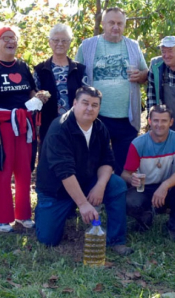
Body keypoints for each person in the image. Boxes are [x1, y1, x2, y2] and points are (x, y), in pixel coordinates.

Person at [35, 86, 133, 255]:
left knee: (116, 184)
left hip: (87, 182)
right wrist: (83, 204)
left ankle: (116, 240)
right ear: (74, 103)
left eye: (94, 105)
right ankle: (59, 209)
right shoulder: (59, 129)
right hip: (56, 190)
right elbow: (64, 172)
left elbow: (108, 161)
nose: (89, 108)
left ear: (99, 108)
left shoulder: (100, 127)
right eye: (85, 103)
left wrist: (100, 186)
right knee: (48, 239)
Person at [0, 24, 48, 232]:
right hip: (1, 127)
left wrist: (38, 96)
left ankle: (23, 215)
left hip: (24, 126)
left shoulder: (22, 66)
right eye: (5, 38)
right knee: (2, 170)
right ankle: (1, 217)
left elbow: (29, 91)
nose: (11, 41)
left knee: (24, 170)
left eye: (14, 38)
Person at [75, 7, 148, 175]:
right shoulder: (87, 46)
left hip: (126, 118)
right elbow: (76, 76)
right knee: (94, 162)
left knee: (123, 166)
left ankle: (120, 199)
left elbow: (145, 74)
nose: (116, 27)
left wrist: (140, 75)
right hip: (95, 116)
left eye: (120, 23)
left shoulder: (133, 46)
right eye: (111, 23)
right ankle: (94, 198)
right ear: (103, 24)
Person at [122, 105, 175, 240]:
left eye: (164, 121)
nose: (159, 124)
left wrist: (165, 186)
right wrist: (132, 179)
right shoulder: (138, 143)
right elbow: (125, 173)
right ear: (149, 121)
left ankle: (174, 227)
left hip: (170, 187)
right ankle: (145, 218)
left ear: (171, 122)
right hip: (146, 187)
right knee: (128, 200)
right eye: (156, 120)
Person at [34, 24, 86, 153]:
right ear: (50, 42)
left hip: (75, 124)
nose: (60, 44)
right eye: (56, 40)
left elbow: (86, 96)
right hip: (48, 124)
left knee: (75, 158)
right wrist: (38, 97)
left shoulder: (79, 69)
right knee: (49, 159)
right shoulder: (40, 70)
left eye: (64, 40)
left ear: (69, 43)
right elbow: (33, 98)